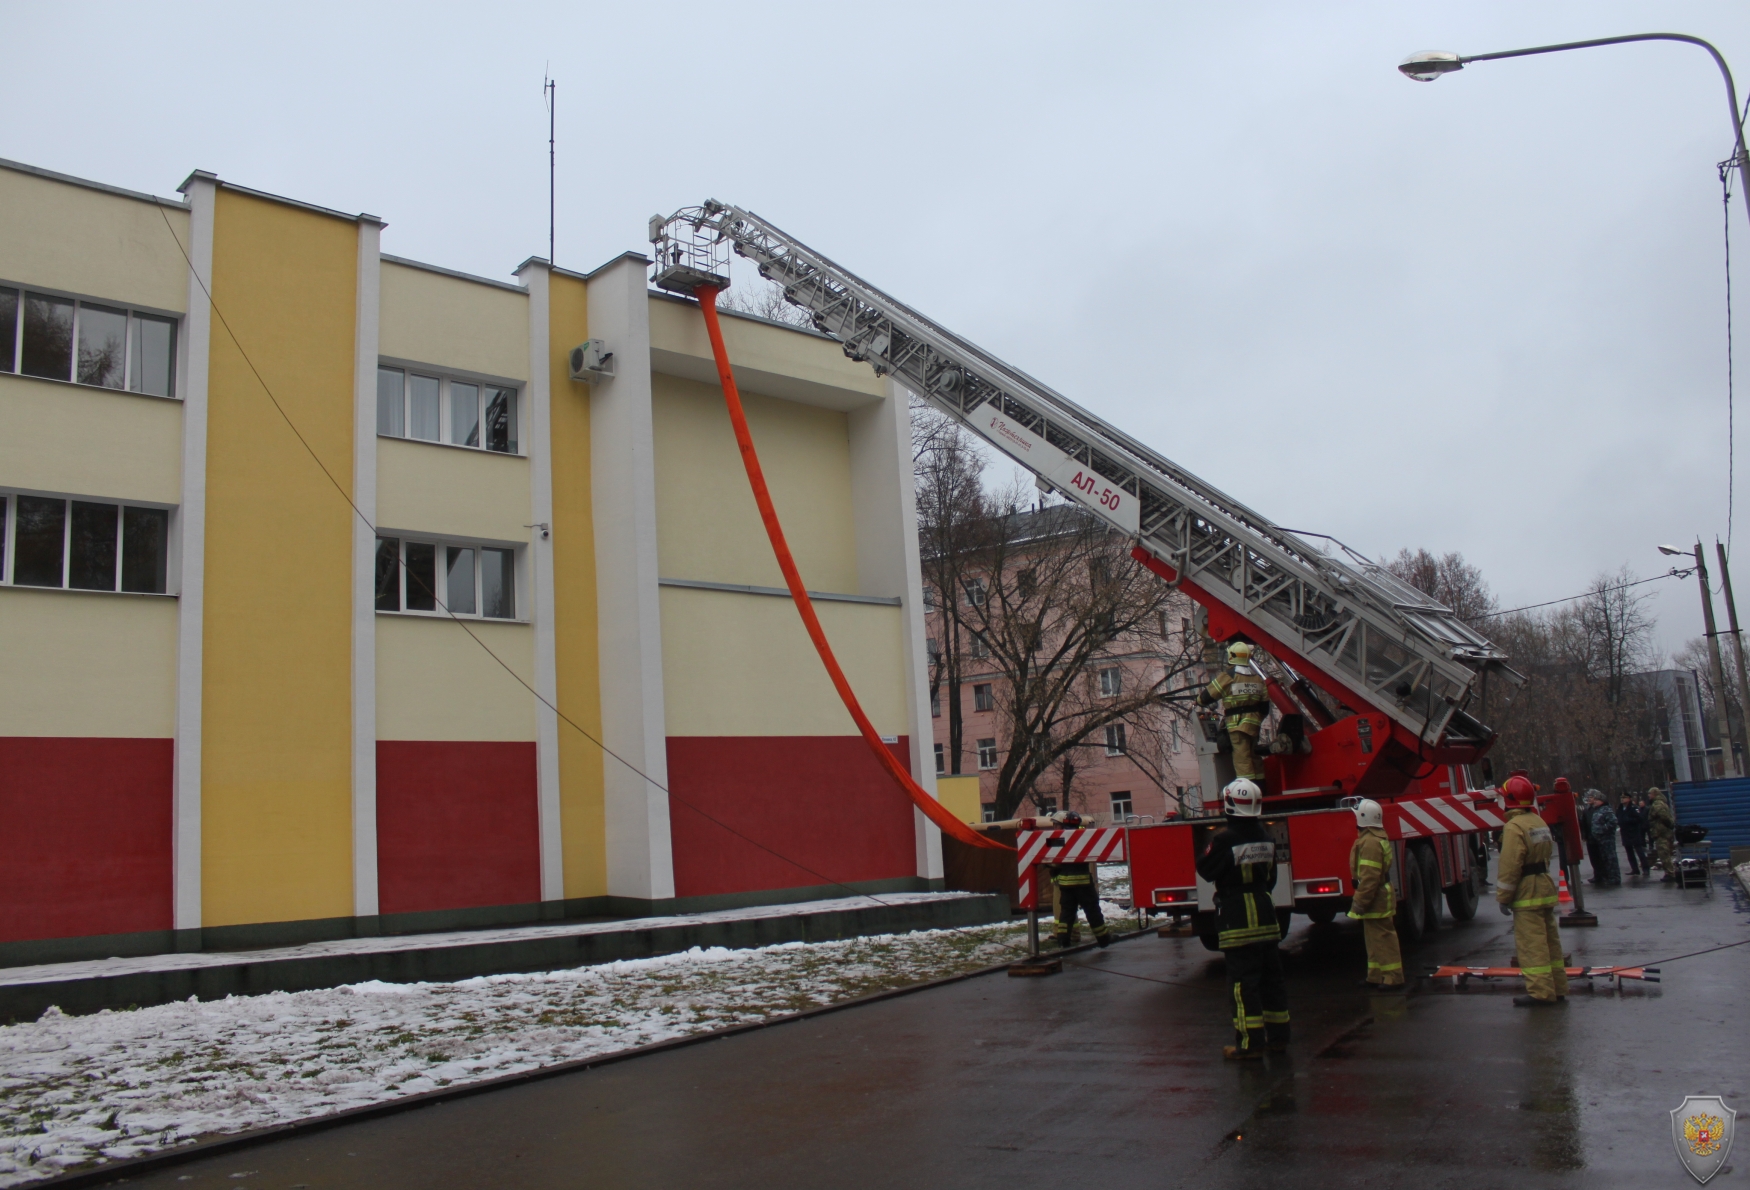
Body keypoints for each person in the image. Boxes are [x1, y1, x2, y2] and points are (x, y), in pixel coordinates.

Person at [1196, 778, 1290, 1059]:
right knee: (1272, 981)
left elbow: (1206, 869)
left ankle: (1249, 1045)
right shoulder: (1266, 837)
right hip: (1266, 916)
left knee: (1242, 985)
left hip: (1237, 919)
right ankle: (1278, 1038)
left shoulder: (1224, 840)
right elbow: (1271, 879)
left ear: (1229, 805)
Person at [1496, 774, 1568, 1007]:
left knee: (1532, 944)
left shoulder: (1513, 827)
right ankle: (1557, 988)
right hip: (1544, 885)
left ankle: (1540, 993)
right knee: (1550, 942)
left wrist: (1504, 898)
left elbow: (1510, 865)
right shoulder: (1539, 822)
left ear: (1509, 799)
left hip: (1527, 891)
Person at [1347, 798, 1403, 991]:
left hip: (1375, 897)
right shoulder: (1373, 838)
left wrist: (1359, 902)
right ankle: (1376, 976)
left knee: (1383, 938)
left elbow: (1369, 878)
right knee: (1373, 939)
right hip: (1377, 896)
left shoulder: (1370, 842)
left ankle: (1393, 978)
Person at [1198, 641, 1271, 783]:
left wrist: (1198, 701)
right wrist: (1255, 719)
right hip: (1254, 726)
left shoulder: (1229, 676)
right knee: (1254, 757)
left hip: (1237, 725)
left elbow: (1209, 694)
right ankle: (1261, 788)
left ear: (1231, 656)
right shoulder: (1258, 679)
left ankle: (1247, 791)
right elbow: (1265, 708)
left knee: (1242, 760)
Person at [1045, 817, 1112, 950]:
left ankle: (1063, 940)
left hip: (1065, 884)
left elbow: (1051, 861)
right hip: (1083, 884)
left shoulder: (1058, 839)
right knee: (1092, 911)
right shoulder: (1084, 837)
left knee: (1067, 912)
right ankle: (1103, 939)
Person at [1585, 791, 1620, 886]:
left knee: (1610, 859)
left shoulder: (1606, 810)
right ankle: (1607, 877)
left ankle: (1614, 877)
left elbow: (1613, 822)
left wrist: (1603, 829)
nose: (1595, 801)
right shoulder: (1596, 810)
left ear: (1602, 800)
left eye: (1597, 800)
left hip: (1607, 839)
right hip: (1599, 840)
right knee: (1604, 859)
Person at [1647, 786, 1677, 884]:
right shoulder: (1659, 803)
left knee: (1664, 853)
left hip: (1662, 832)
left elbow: (1664, 816)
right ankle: (1668, 873)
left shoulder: (1658, 804)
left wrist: (1668, 825)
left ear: (1655, 794)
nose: (1648, 796)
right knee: (1663, 853)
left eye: (1650, 794)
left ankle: (1670, 873)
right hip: (1662, 832)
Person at [1617, 793, 1648, 877]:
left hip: (1634, 832)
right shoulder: (1620, 809)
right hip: (1625, 833)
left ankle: (1645, 869)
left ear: (1629, 799)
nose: (1622, 799)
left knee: (1639, 852)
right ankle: (1634, 869)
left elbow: (1640, 819)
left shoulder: (1633, 808)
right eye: (1621, 797)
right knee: (1629, 853)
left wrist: (1628, 820)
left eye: (1624, 798)